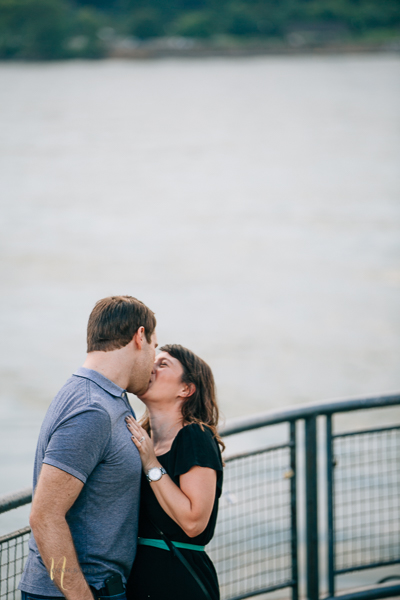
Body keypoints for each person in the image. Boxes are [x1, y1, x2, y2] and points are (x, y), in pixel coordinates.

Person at [18, 295, 158, 600]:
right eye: (154, 347)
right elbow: (44, 516)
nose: (153, 361)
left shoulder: (110, 397)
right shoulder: (91, 408)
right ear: (140, 336)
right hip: (76, 593)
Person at [124, 344, 224, 600]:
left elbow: (194, 522)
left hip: (178, 582)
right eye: (152, 362)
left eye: (163, 364)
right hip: (137, 580)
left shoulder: (195, 437)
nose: (151, 368)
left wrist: (150, 463)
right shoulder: (140, 437)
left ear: (186, 389)